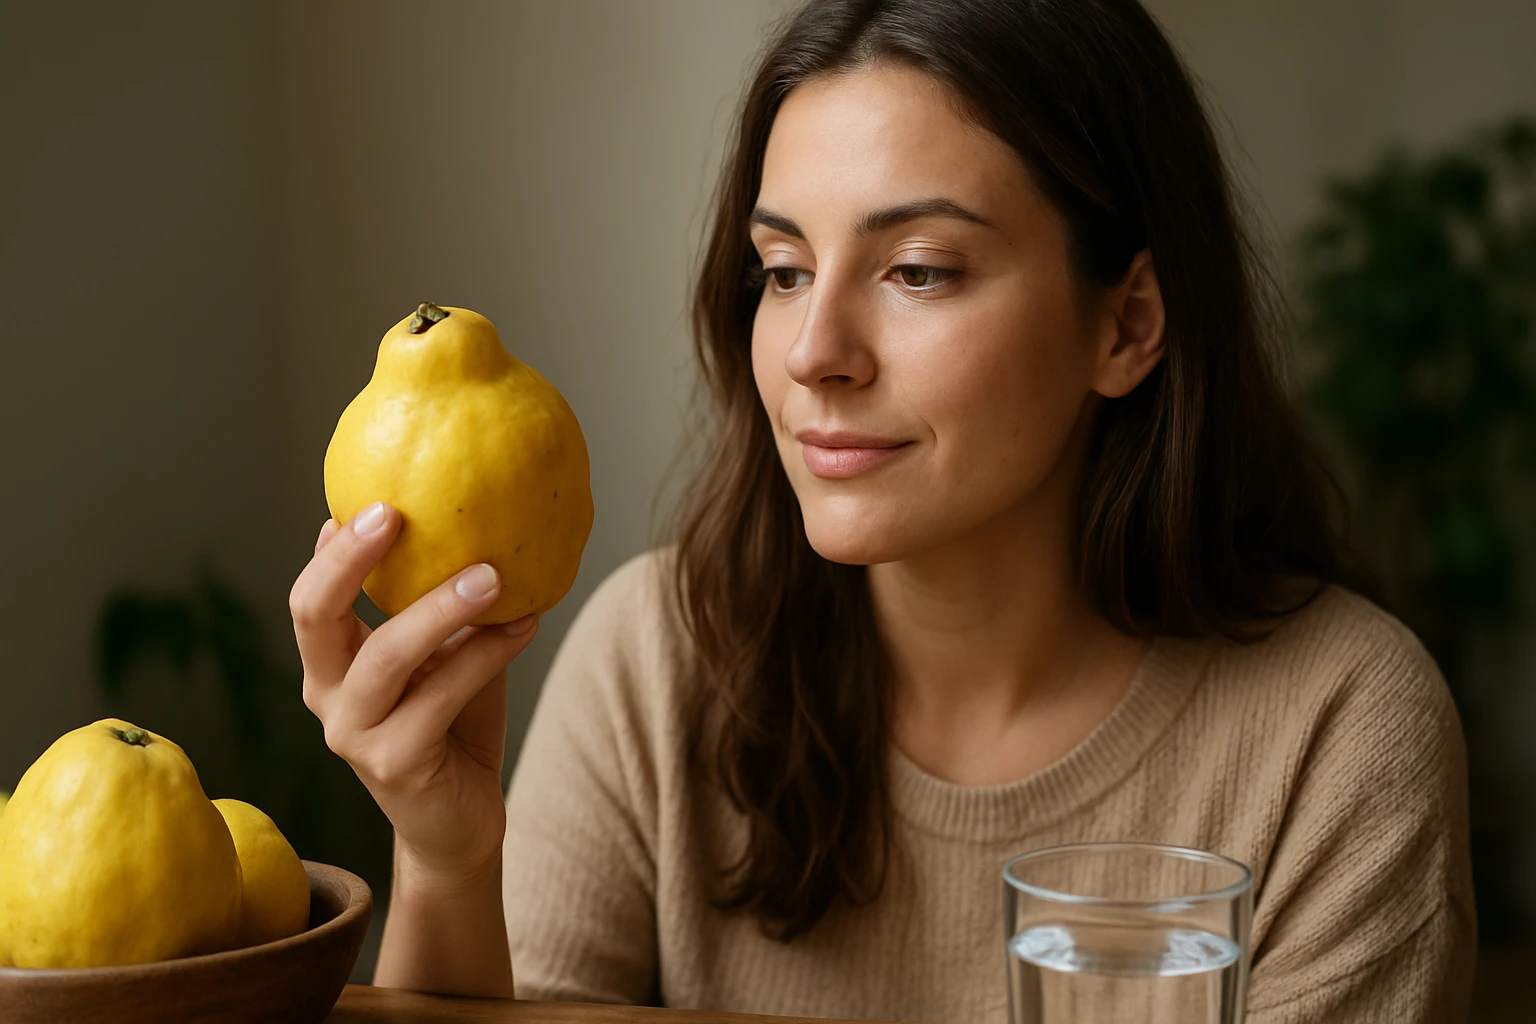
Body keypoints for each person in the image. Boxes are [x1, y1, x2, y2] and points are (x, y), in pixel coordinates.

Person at [289, 1, 1475, 1021]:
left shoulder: (1341, 731)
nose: (815, 352)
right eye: (785, 269)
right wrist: (448, 859)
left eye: (917, 269)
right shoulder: (655, 657)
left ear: (1128, 323)